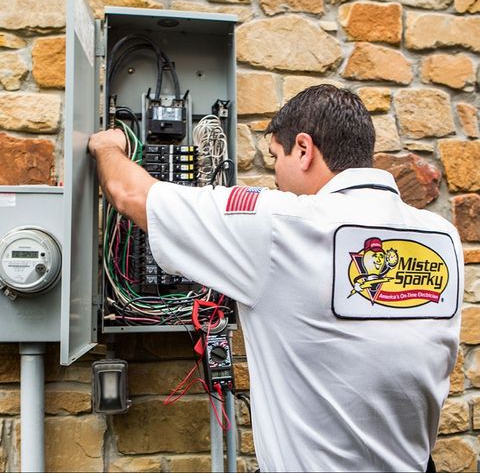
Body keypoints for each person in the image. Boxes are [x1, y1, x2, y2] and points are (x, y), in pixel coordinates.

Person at [89, 85, 463, 472]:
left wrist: (108, 145)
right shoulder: (441, 235)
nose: (275, 179)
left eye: (274, 158)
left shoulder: (279, 225)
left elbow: (130, 193)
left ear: (304, 149)